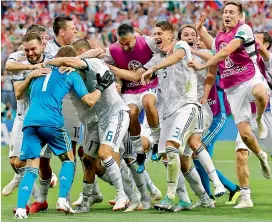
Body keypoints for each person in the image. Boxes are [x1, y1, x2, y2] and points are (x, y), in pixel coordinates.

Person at [14, 45, 115, 219]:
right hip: (51, 121)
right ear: (71, 61)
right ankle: (62, 199)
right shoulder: (71, 74)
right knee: (68, 159)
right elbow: (89, 101)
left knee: (32, 167)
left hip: (30, 122)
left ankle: (21, 208)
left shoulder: (40, 70)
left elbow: (23, 93)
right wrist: (100, 87)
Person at [188, 0, 271, 182]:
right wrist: (200, 31)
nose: (227, 15)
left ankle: (259, 119)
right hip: (232, 90)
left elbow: (224, 53)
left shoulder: (245, 29)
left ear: (240, 16)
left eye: (232, 12)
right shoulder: (219, 38)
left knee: (259, 92)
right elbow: (215, 49)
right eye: (225, 12)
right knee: (246, 135)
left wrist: (203, 66)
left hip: (250, 78)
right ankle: (261, 156)